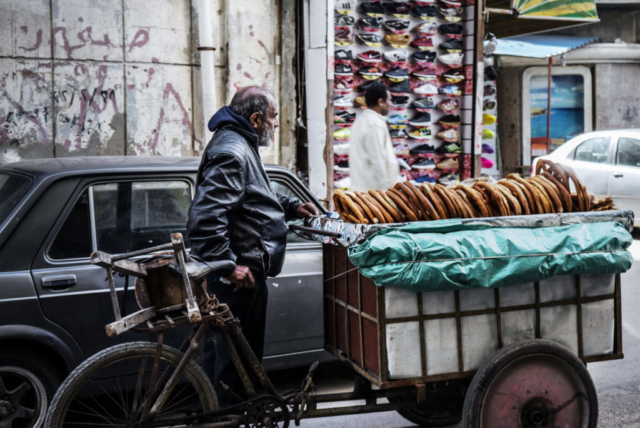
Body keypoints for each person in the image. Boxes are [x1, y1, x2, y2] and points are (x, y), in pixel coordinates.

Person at [186, 86, 318, 404]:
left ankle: (215, 413)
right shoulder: (233, 150)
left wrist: (289, 206)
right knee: (235, 367)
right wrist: (228, 266)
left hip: (242, 271)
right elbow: (205, 218)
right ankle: (227, 418)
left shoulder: (239, 142)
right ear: (257, 118)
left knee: (227, 361)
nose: (276, 124)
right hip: (239, 279)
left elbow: (252, 194)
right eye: (273, 117)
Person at [348, 82, 400, 191]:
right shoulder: (374, 124)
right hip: (373, 194)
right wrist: (386, 193)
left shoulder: (362, 120)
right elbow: (378, 161)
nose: (391, 104)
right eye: (389, 100)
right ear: (381, 102)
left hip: (365, 192)